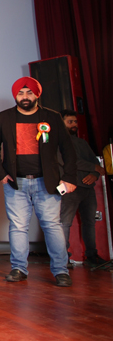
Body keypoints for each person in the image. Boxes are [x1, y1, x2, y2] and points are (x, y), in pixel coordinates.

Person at [0, 77, 77, 287]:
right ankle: (19, 268)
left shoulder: (52, 117)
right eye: (21, 93)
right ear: (15, 96)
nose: (25, 97)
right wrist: (1, 173)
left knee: (52, 226)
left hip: (47, 182)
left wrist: (69, 178)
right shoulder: (4, 117)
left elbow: (68, 149)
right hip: (16, 183)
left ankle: (61, 271)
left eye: (29, 93)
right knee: (18, 227)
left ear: (37, 94)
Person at [60, 109, 105, 267]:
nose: (74, 124)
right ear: (61, 123)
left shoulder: (82, 142)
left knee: (89, 222)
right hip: (70, 188)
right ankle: (63, 258)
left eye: (75, 121)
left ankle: (92, 256)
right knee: (65, 222)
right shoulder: (59, 141)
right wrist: (94, 168)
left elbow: (96, 163)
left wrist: (94, 174)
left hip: (88, 188)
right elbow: (71, 161)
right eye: (70, 122)